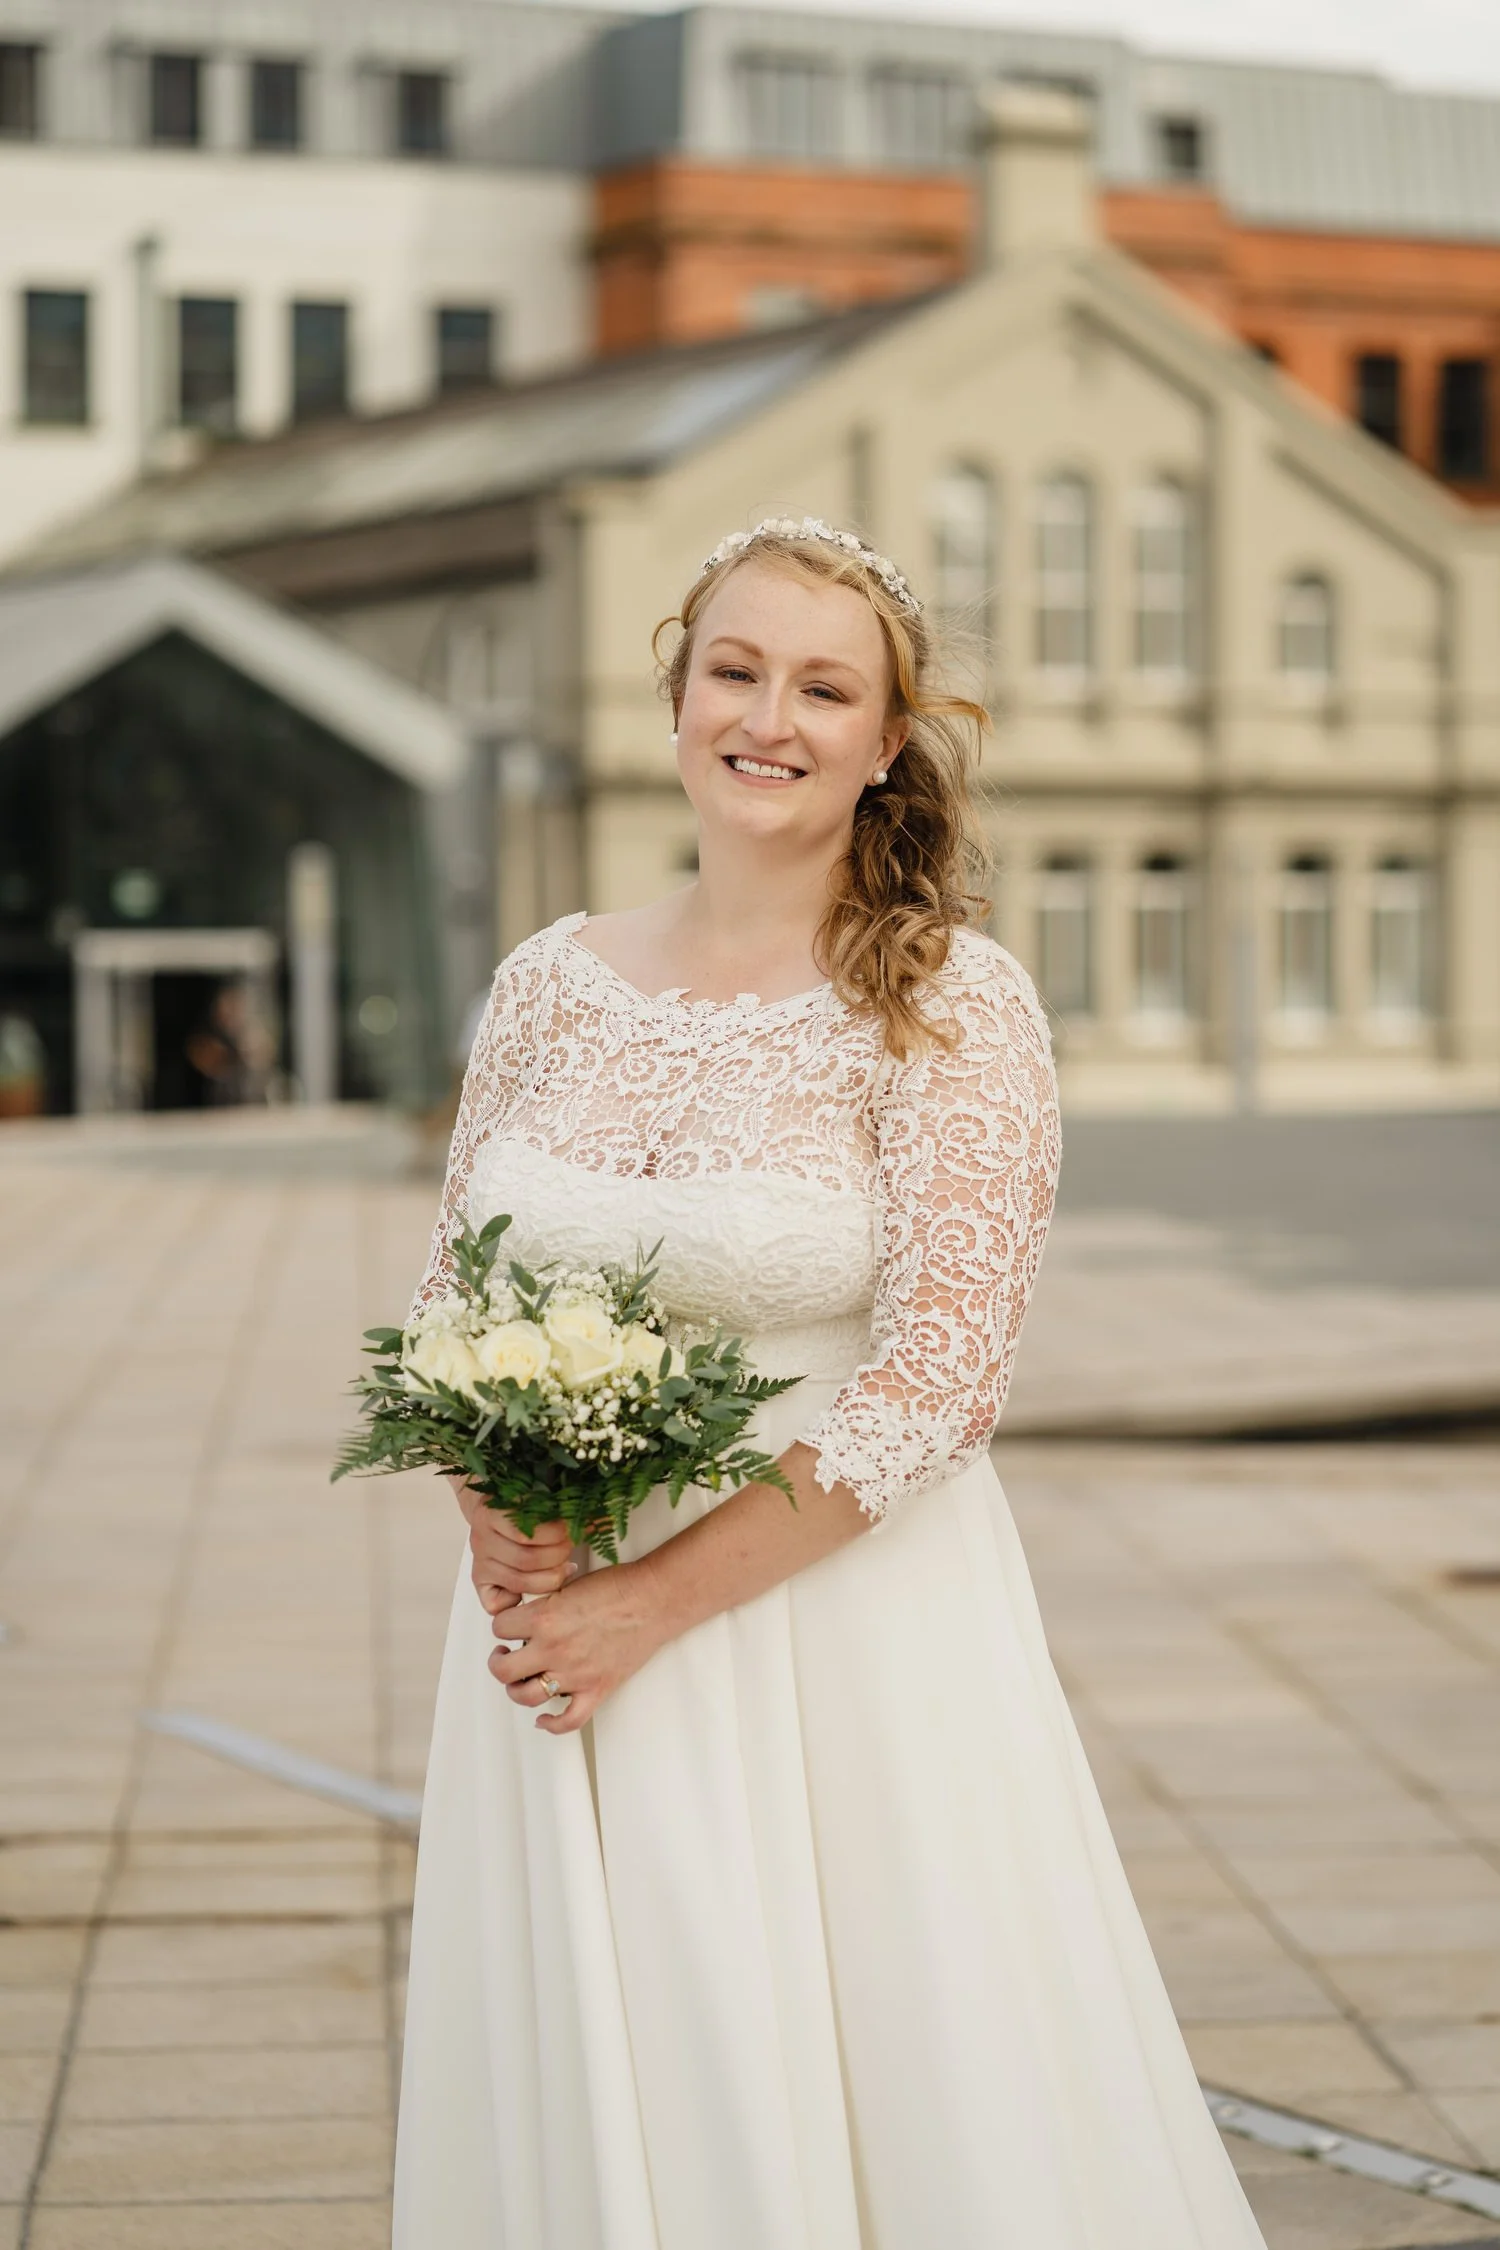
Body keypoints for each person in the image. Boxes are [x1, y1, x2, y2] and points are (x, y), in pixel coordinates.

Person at [394, 518, 1267, 2249]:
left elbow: (941, 1381)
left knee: (860, 2063)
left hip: (823, 1638)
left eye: (822, 686)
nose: (768, 716)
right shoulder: (549, 981)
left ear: (884, 742)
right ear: (677, 696)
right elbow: (449, 1291)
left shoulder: (949, 1002)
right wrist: (495, 1507)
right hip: (549, 1627)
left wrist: (647, 1605)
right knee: (597, 2054)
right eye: (735, 669)